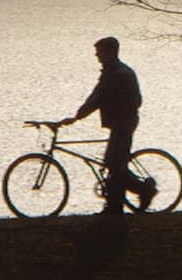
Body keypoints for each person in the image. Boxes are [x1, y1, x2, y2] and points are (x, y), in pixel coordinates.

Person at [62, 37, 156, 215]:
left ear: (110, 52)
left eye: (99, 52)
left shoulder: (118, 74)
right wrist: (77, 116)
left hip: (124, 122)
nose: (96, 55)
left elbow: (100, 98)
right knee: (113, 163)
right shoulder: (112, 72)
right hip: (120, 122)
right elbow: (96, 95)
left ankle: (143, 191)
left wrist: (78, 116)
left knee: (115, 165)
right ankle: (114, 207)